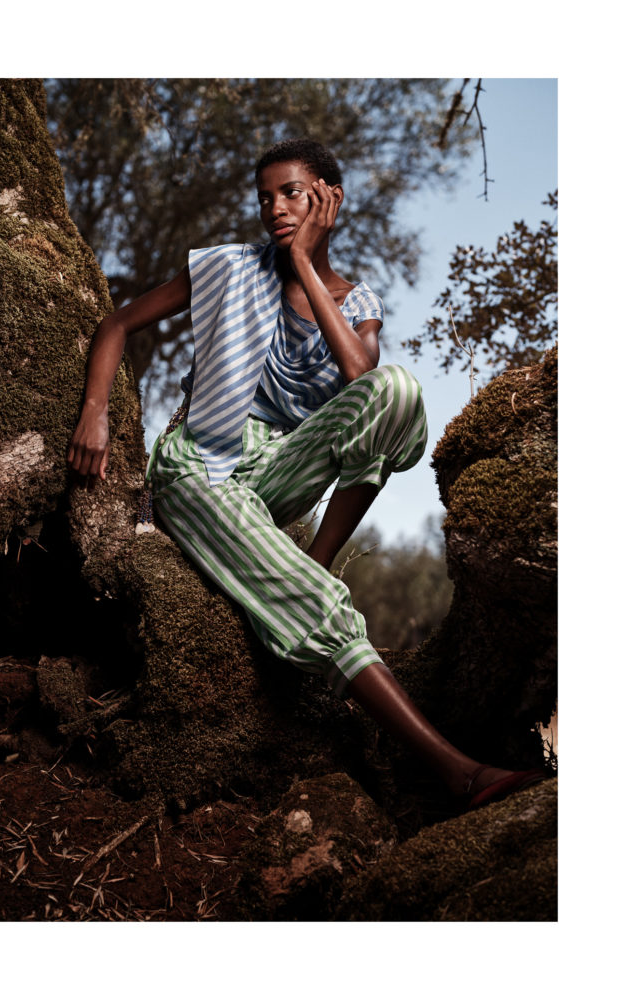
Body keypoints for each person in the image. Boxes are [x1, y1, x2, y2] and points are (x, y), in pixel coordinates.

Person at [67, 138, 544, 809]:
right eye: (265, 197)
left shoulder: (357, 300)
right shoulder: (229, 267)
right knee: (320, 607)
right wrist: (95, 413)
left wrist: (302, 264)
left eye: (290, 192)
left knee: (397, 390)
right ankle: (457, 772)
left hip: (278, 466)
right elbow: (118, 323)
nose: (275, 208)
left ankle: (316, 560)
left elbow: (359, 375)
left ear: (329, 198)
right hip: (202, 461)